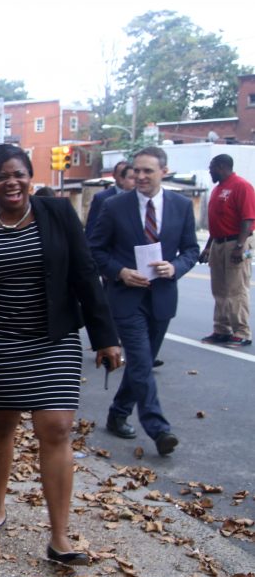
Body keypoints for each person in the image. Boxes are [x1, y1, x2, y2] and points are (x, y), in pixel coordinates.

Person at [0, 144, 121, 566]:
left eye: (19, 173)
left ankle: (60, 537)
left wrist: (105, 336)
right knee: (1, 426)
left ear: (30, 176)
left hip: (53, 337)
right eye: (1, 176)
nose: (12, 182)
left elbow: (85, 272)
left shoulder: (58, 213)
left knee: (57, 427)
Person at [89, 146, 198, 456]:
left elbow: (191, 250)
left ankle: (117, 413)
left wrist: (175, 267)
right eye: (136, 170)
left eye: (147, 171)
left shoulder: (181, 205)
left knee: (144, 364)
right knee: (139, 360)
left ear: (164, 172)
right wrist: (120, 272)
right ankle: (159, 428)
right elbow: (95, 250)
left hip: (162, 296)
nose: (140, 176)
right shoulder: (114, 206)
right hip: (126, 298)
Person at [199, 154, 254, 347]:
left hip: (236, 243)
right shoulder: (217, 190)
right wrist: (207, 248)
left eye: (211, 167)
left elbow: (248, 219)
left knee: (236, 290)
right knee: (220, 290)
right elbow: (216, 223)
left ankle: (242, 332)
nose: (210, 171)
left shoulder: (241, 186)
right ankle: (222, 329)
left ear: (222, 166)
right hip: (218, 243)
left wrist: (240, 247)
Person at [84, 160, 134, 240]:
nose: (122, 177)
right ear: (114, 175)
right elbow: (92, 227)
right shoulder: (102, 198)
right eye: (121, 174)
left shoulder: (138, 198)